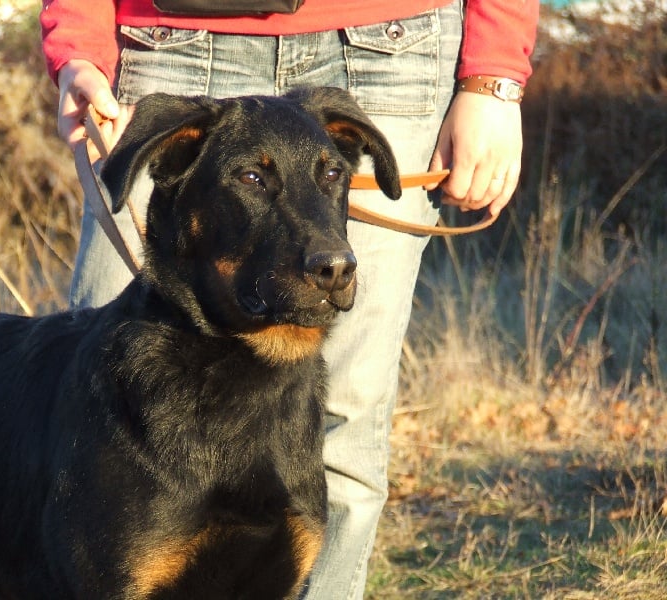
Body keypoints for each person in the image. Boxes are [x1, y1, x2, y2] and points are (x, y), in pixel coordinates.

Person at [40, 1, 538, 597]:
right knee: (96, 391)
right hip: (167, 39)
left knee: (345, 418)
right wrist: (78, 47)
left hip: (390, 47)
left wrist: (493, 77)